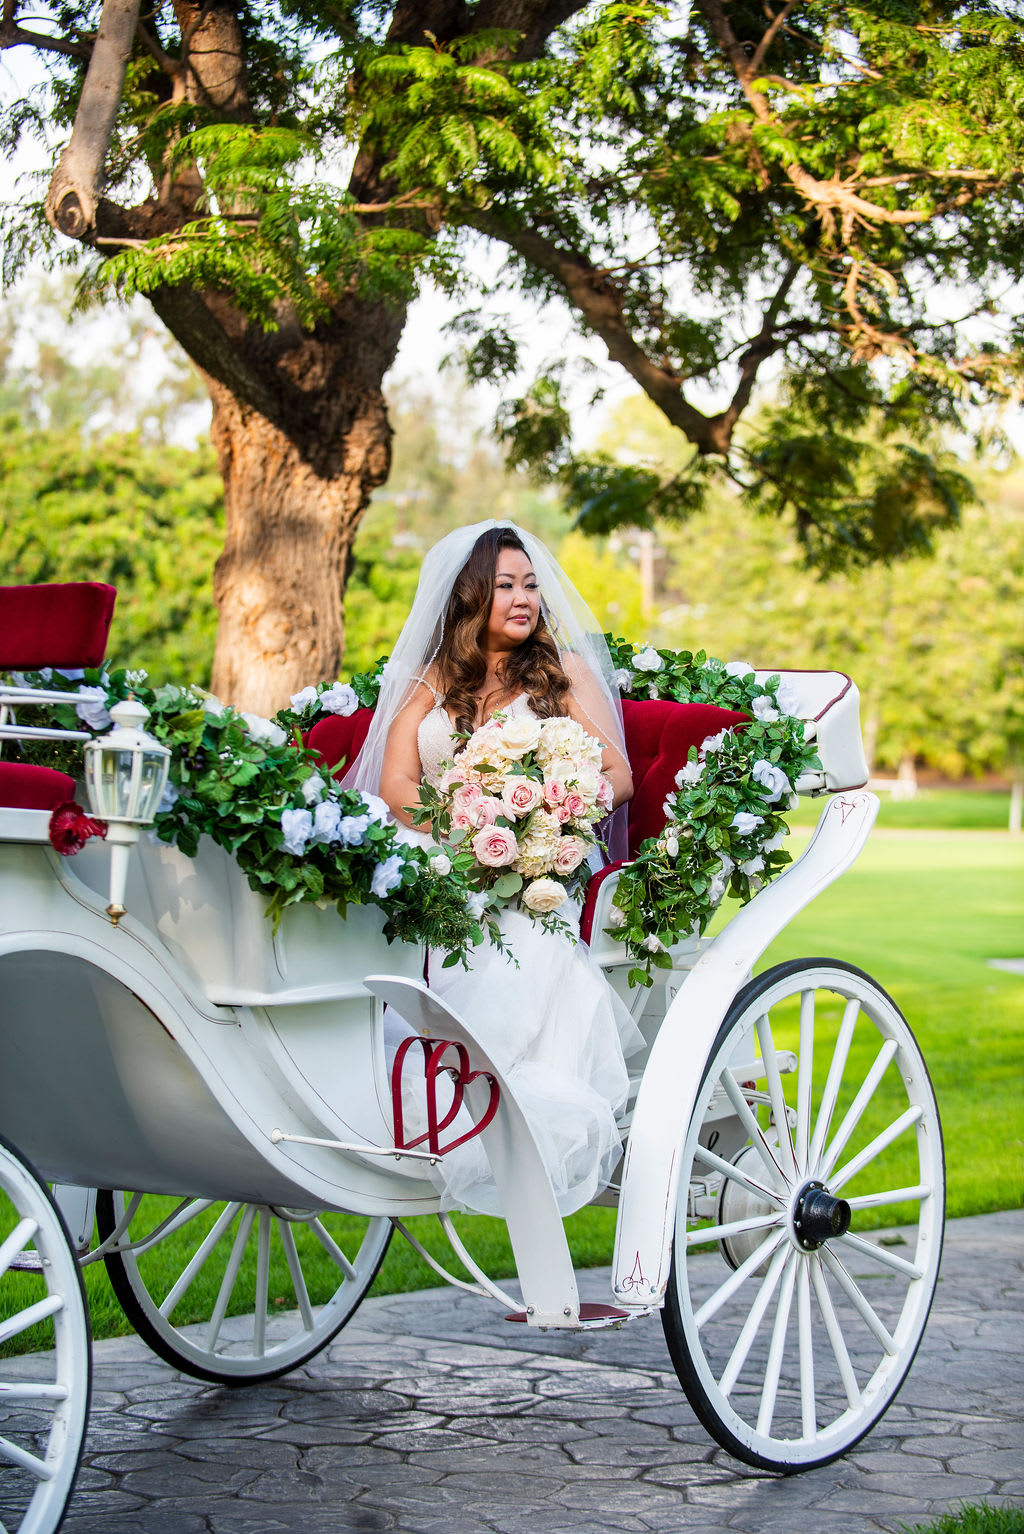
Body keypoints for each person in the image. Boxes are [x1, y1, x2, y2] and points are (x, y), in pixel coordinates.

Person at [342, 521, 643, 1217]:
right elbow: (395, 786)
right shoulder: (429, 680)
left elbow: (619, 776)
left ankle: (488, 1106)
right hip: (438, 850)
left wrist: (546, 810)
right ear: (470, 597)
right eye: (505, 585)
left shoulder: (560, 673)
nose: (523, 598)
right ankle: (371, 1079)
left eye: (531, 585)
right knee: (396, 901)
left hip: (531, 867)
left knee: (526, 940)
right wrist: (462, 827)